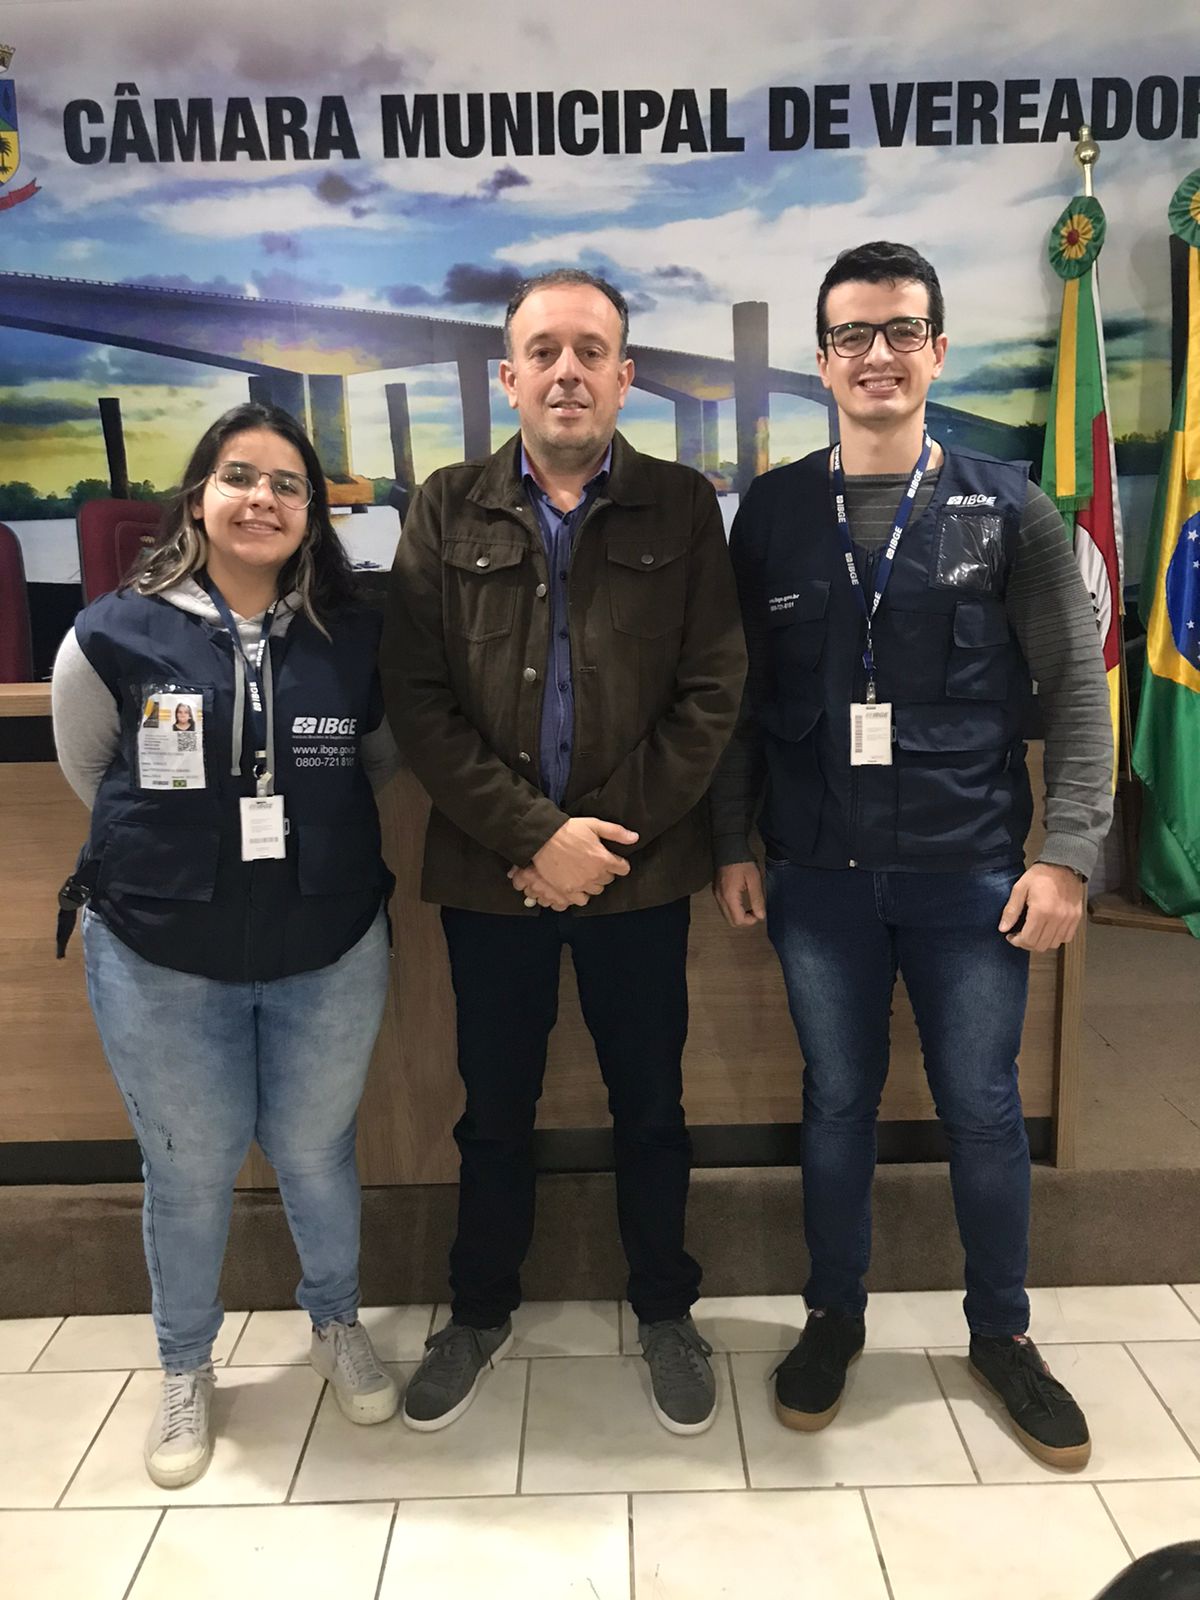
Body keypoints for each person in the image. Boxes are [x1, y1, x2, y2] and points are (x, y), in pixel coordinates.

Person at [710, 242, 1113, 1470]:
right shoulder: (773, 513)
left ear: (937, 351)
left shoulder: (1011, 508)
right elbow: (735, 697)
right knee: (836, 1101)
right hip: (817, 876)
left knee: (982, 1106)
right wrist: (732, 839)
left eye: (899, 331)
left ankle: (1003, 1334)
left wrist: (1069, 853)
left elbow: (1078, 691)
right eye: (852, 334)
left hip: (970, 874)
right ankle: (834, 1319)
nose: (875, 354)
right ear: (821, 359)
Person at [382, 268, 746, 1436]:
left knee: (653, 1106)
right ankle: (477, 1311)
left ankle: (666, 1310)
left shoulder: (682, 506)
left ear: (625, 376)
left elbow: (712, 691)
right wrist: (537, 837)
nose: (567, 371)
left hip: (638, 877)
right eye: (544, 351)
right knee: (494, 1109)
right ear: (509, 377)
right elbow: (419, 698)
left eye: (591, 350)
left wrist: (597, 844)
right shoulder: (445, 507)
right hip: (493, 879)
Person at [52, 402, 402, 1488]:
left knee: (316, 1150)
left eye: (288, 484)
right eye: (240, 475)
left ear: (313, 513)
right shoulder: (111, 631)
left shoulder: (356, 634)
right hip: (160, 951)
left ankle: (335, 1322)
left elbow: (377, 764)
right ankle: (184, 1365)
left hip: (326, 944)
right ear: (199, 494)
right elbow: (89, 768)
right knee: (189, 1168)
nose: (263, 498)